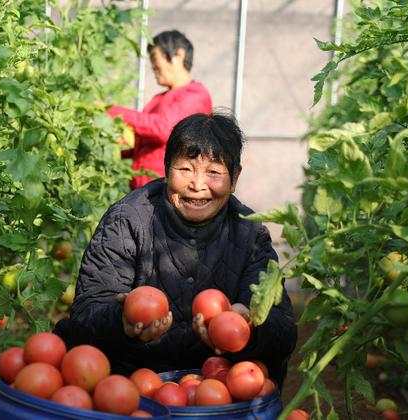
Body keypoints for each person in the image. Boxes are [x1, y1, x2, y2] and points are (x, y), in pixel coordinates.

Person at [56, 112, 297, 389]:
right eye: (185, 169)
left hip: (217, 382)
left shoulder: (250, 234)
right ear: (166, 167)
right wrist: (120, 321)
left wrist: (247, 328)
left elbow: (283, 331)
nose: (197, 185)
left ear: (235, 177)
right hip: (132, 381)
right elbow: (87, 310)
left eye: (214, 172)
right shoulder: (127, 221)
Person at [108, 30, 212, 190]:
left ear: (178, 56)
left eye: (155, 60)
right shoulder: (161, 98)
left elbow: (163, 128)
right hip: (146, 188)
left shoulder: (195, 95)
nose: (153, 67)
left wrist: (112, 111)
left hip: (167, 189)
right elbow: (147, 141)